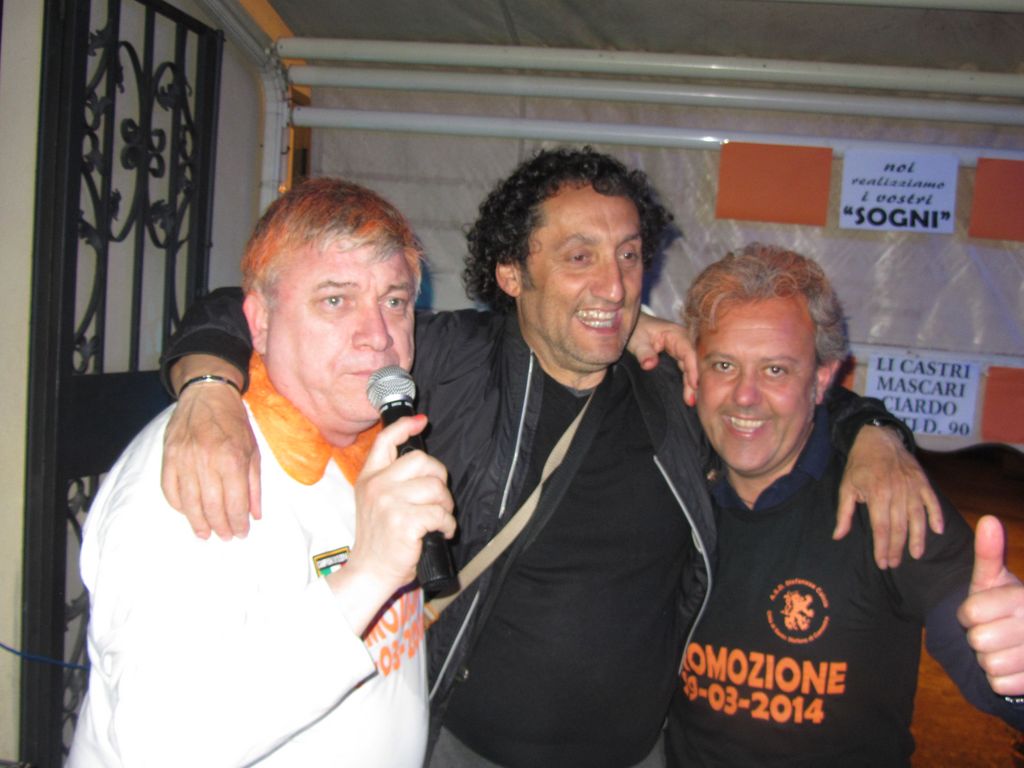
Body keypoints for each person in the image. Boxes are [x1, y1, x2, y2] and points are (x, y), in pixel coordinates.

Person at [157, 148, 939, 767]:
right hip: (464, 749)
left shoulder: (672, 388)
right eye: (579, 257)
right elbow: (247, 308)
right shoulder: (449, 360)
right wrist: (209, 388)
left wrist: (875, 432)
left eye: (628, 256)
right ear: (511, 273)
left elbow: (780, 396)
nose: (615, 286)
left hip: (636, 755)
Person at [68, 179, 457, 767]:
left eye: (395, 301)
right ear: (260, 321)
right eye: (335, 301)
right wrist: (369, 574)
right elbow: (160, 747)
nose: (378, 336)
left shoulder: (371, 441)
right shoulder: (202, 468)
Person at [666, 244, 1024, 767]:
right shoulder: (668, 484)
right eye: (724, 365)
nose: (744, 396)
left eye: (775, 370)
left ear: (823, 378)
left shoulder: (887, 497)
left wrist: (1017, 674)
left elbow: (989, 660)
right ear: (694, 369)